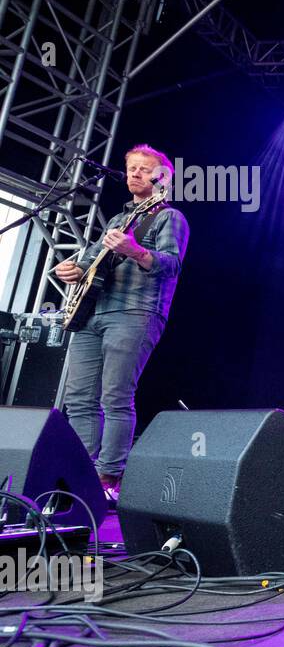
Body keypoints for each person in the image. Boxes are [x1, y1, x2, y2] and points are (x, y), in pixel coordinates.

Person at [55, 144, 190, 503]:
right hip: (93, 311)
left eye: (144, 169)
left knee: (115, 396)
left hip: (134, 311)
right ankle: (81, 471)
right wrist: (74, 270)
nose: (134, 174)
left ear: (162, 179)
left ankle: (107, 479)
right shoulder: (118, 219)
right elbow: (90, 262)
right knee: (79, 398)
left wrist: (135, 250)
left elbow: (171, 264)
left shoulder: (168, 217)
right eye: (131, 168)